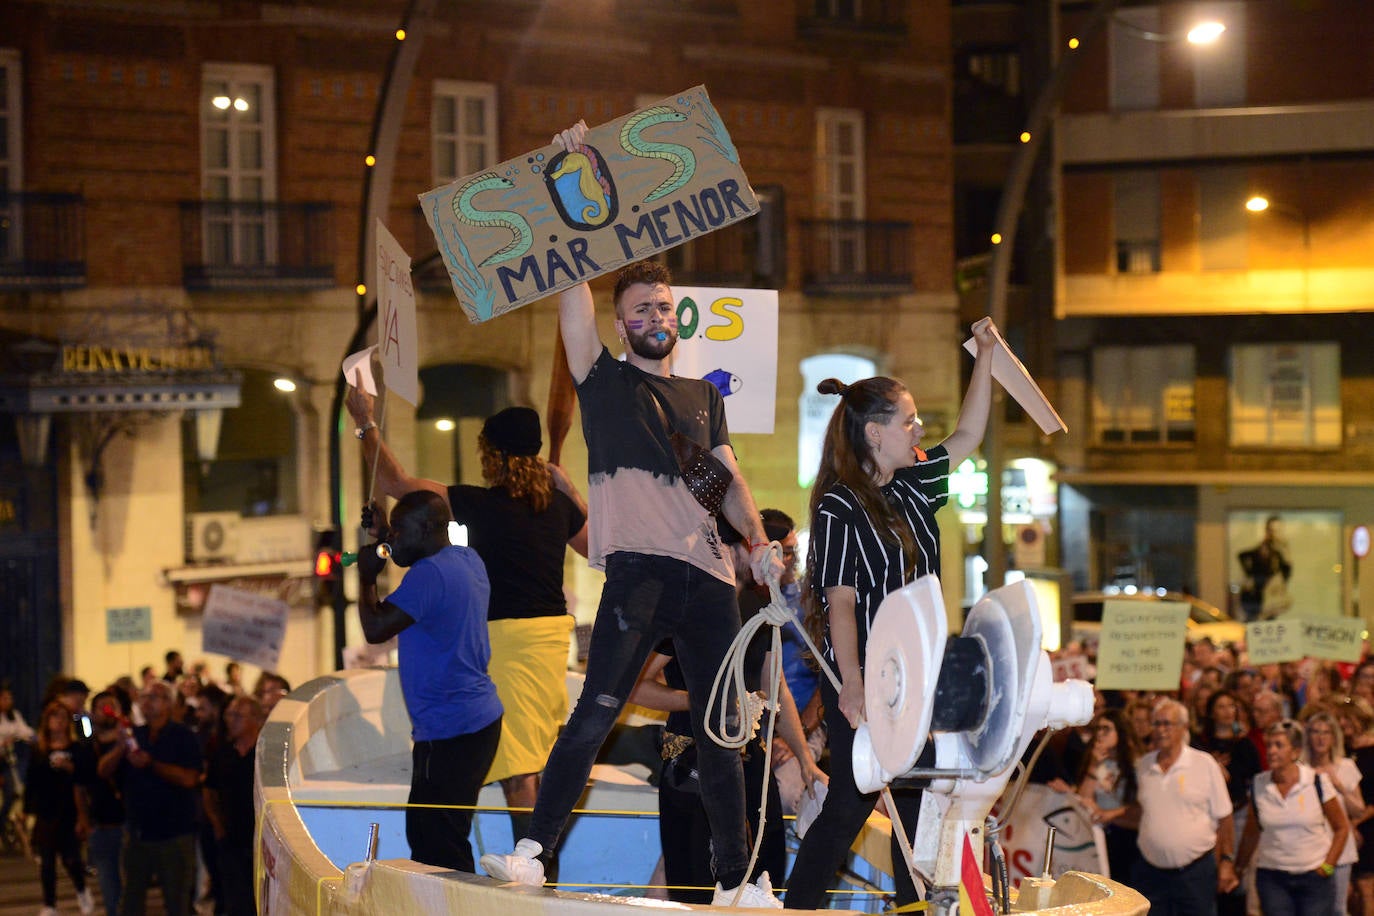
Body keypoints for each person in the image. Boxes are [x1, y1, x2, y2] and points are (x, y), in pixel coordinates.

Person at [478, 218, 784, 905]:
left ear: (678, 318)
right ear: (620, 326)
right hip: (638, 574)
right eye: (641, 309)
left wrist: (759, 542)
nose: (656, 317)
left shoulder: (705, 397)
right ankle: (533, 854)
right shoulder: (602, 380)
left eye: (664, 306)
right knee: (595, 712)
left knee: (721, 731)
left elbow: (731, 482)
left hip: (709, 579)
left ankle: (735, 881)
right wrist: (571, 218)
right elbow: (572, 304)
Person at [786, 317, 997, 911]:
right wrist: (851, 685)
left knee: (913, 800)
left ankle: (911, 908)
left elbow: (969, 433)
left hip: (916, 674)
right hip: (866, 676)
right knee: (851, 805)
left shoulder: (914, 485)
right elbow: (840, 602)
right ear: (875, 433)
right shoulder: (838, 504)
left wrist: (984, 355)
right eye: (909, 421)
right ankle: (797, 908)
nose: (919, 429)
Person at [344, 389, 589, 860]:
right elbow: (598, 548)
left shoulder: (477, 504)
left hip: (505, 644)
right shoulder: (558, 506)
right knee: (526, 765)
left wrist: (365, 422)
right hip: (549, 642)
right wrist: (569, 490)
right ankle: (533, 867)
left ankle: (536, 872)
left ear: (493, 456)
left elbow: (395, 482)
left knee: (519, 774)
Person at [631, 519, 827, 904]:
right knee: (694, 885)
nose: (775, 562)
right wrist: (701, 700)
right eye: (762, 549)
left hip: (750, 761)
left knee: (763, 875)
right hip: (691, 763)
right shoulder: (684, 602)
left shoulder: (758, 606)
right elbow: (638, 686)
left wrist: (805, 760)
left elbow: (777, 688)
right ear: (731, 547)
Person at [355, 490, 503, 872]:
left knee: (438, 848)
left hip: (450, 731)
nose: (393, 540)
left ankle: (466, 902)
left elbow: (375, 628)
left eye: (399, 531)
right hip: (474, 722)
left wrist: (367, 578)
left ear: (425, 529)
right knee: (432, 836)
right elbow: (417, 578)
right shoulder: (467, 558)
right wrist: (384, 536)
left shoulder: (428, 574)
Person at [99, 679, 203, 916]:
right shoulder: (135, 734)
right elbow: (103, 771)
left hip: (174, 834)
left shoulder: (183, 736)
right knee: (131, 900)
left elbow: (189, 779)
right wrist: (120, 748)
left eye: (153, 697)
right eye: (143, 697)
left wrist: (152, 764)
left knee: (177, 901)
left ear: (168, 703)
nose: (146, 702)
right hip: (138, 832)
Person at [1133, 698, 1238, 916]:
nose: (1161, 730)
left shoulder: (1204, 763)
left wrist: (1227, 861)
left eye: (1167, 724)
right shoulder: (1143, 765)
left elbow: (1225, 817)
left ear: (1183, 727)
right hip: (1151, 874)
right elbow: (1144, 811)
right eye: (1157, 724)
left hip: (1195, 873)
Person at [1236, 720, 1349, 916]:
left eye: (1279, 745)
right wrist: (1238, 867)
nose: (1271, 751)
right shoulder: (1259, 784)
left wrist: (1328, 867)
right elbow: (1251, 832)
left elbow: (1341, 827)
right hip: (1273, 877)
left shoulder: (1316, 782)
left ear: (1295, 752)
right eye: (1269, 745)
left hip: (1314, 877)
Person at [1193, 689, 1261, 916]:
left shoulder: (1245, 745)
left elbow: (1254, 780)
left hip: (1238, 812)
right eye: (1221, 706)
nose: (1227, 711)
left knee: (1235, 874)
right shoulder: (1200, 744)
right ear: (1212, 712)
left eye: (1231, 706)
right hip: (1206, 815)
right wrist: (1213, 767)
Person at [26, 700, 95, 916]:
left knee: (71, 858)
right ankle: (50, 905)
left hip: (69, 809)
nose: (59, 722)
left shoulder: (76, 748)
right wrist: (27, 810)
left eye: (63, 718)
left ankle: (81, 889)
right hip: (47, 810)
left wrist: (69, 767)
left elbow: (85, 776)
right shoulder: (39, 750)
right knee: (47, 862)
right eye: (54, 717)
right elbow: (32, 781)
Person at [203, 696, 265, 916]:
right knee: (235, 901)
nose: (231, 720)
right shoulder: (223, 753)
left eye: (238, 715)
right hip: (231, 840)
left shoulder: (266, 755)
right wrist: (217, 825)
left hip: (260, 842)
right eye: (229, 714)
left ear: (256, 719)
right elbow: (209, 791)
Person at [1304, 710, 1364, 916]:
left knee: (1337, 908)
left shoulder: (1346, 766)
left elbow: (1358, 809)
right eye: (1316, 732)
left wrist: (1339, 786)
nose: (1321, 738)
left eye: (1326, 732)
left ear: (1333, 737)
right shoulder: (1301, 770)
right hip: (1311, 852)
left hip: (1340, 853)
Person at [77, 690, 130, 916]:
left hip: (130, 823)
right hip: (102, 824)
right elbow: (79, 787)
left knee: (133, 886)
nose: (108, 711)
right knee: (110, 888)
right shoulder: (87, 747)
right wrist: (84, 821)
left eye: (112, 706)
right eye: (103, 707)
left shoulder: (133, 741)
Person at [1076, 708, 1141, 881]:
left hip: (1126, 838)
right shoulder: (1094, 760)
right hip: (1099, 835)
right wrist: (1093, 765)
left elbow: (1141, 806)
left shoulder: (1136, 764)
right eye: (1098, 728)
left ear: (1120, 732)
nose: (1100, 734)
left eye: (1106, 729)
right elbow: (1083, 799)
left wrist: (1111, 814)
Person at [1238, 515, 1292, 621]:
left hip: (1270, 592)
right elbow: (1243, 555)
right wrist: (1249, 574)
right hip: (1258, 593)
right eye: (1271, 530)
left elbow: (1286, 570)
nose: (1274, 534)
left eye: (1277, 530)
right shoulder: (1263, 548)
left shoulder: (1279, 551)